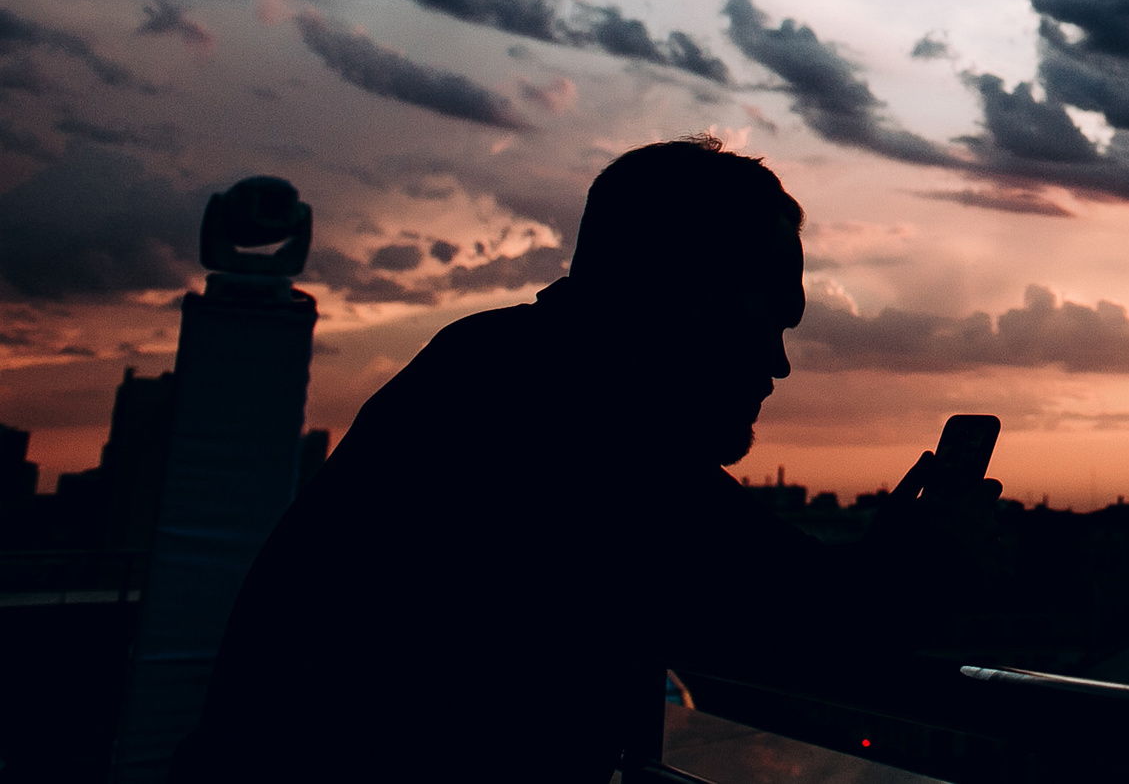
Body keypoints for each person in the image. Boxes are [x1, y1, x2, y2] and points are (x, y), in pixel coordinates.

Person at [175, 137, 977, 783]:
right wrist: (921, 551)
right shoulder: (586, 430)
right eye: (768, 320)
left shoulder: (498, 369)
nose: (779, 363)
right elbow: (821, 623)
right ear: (688, 294)